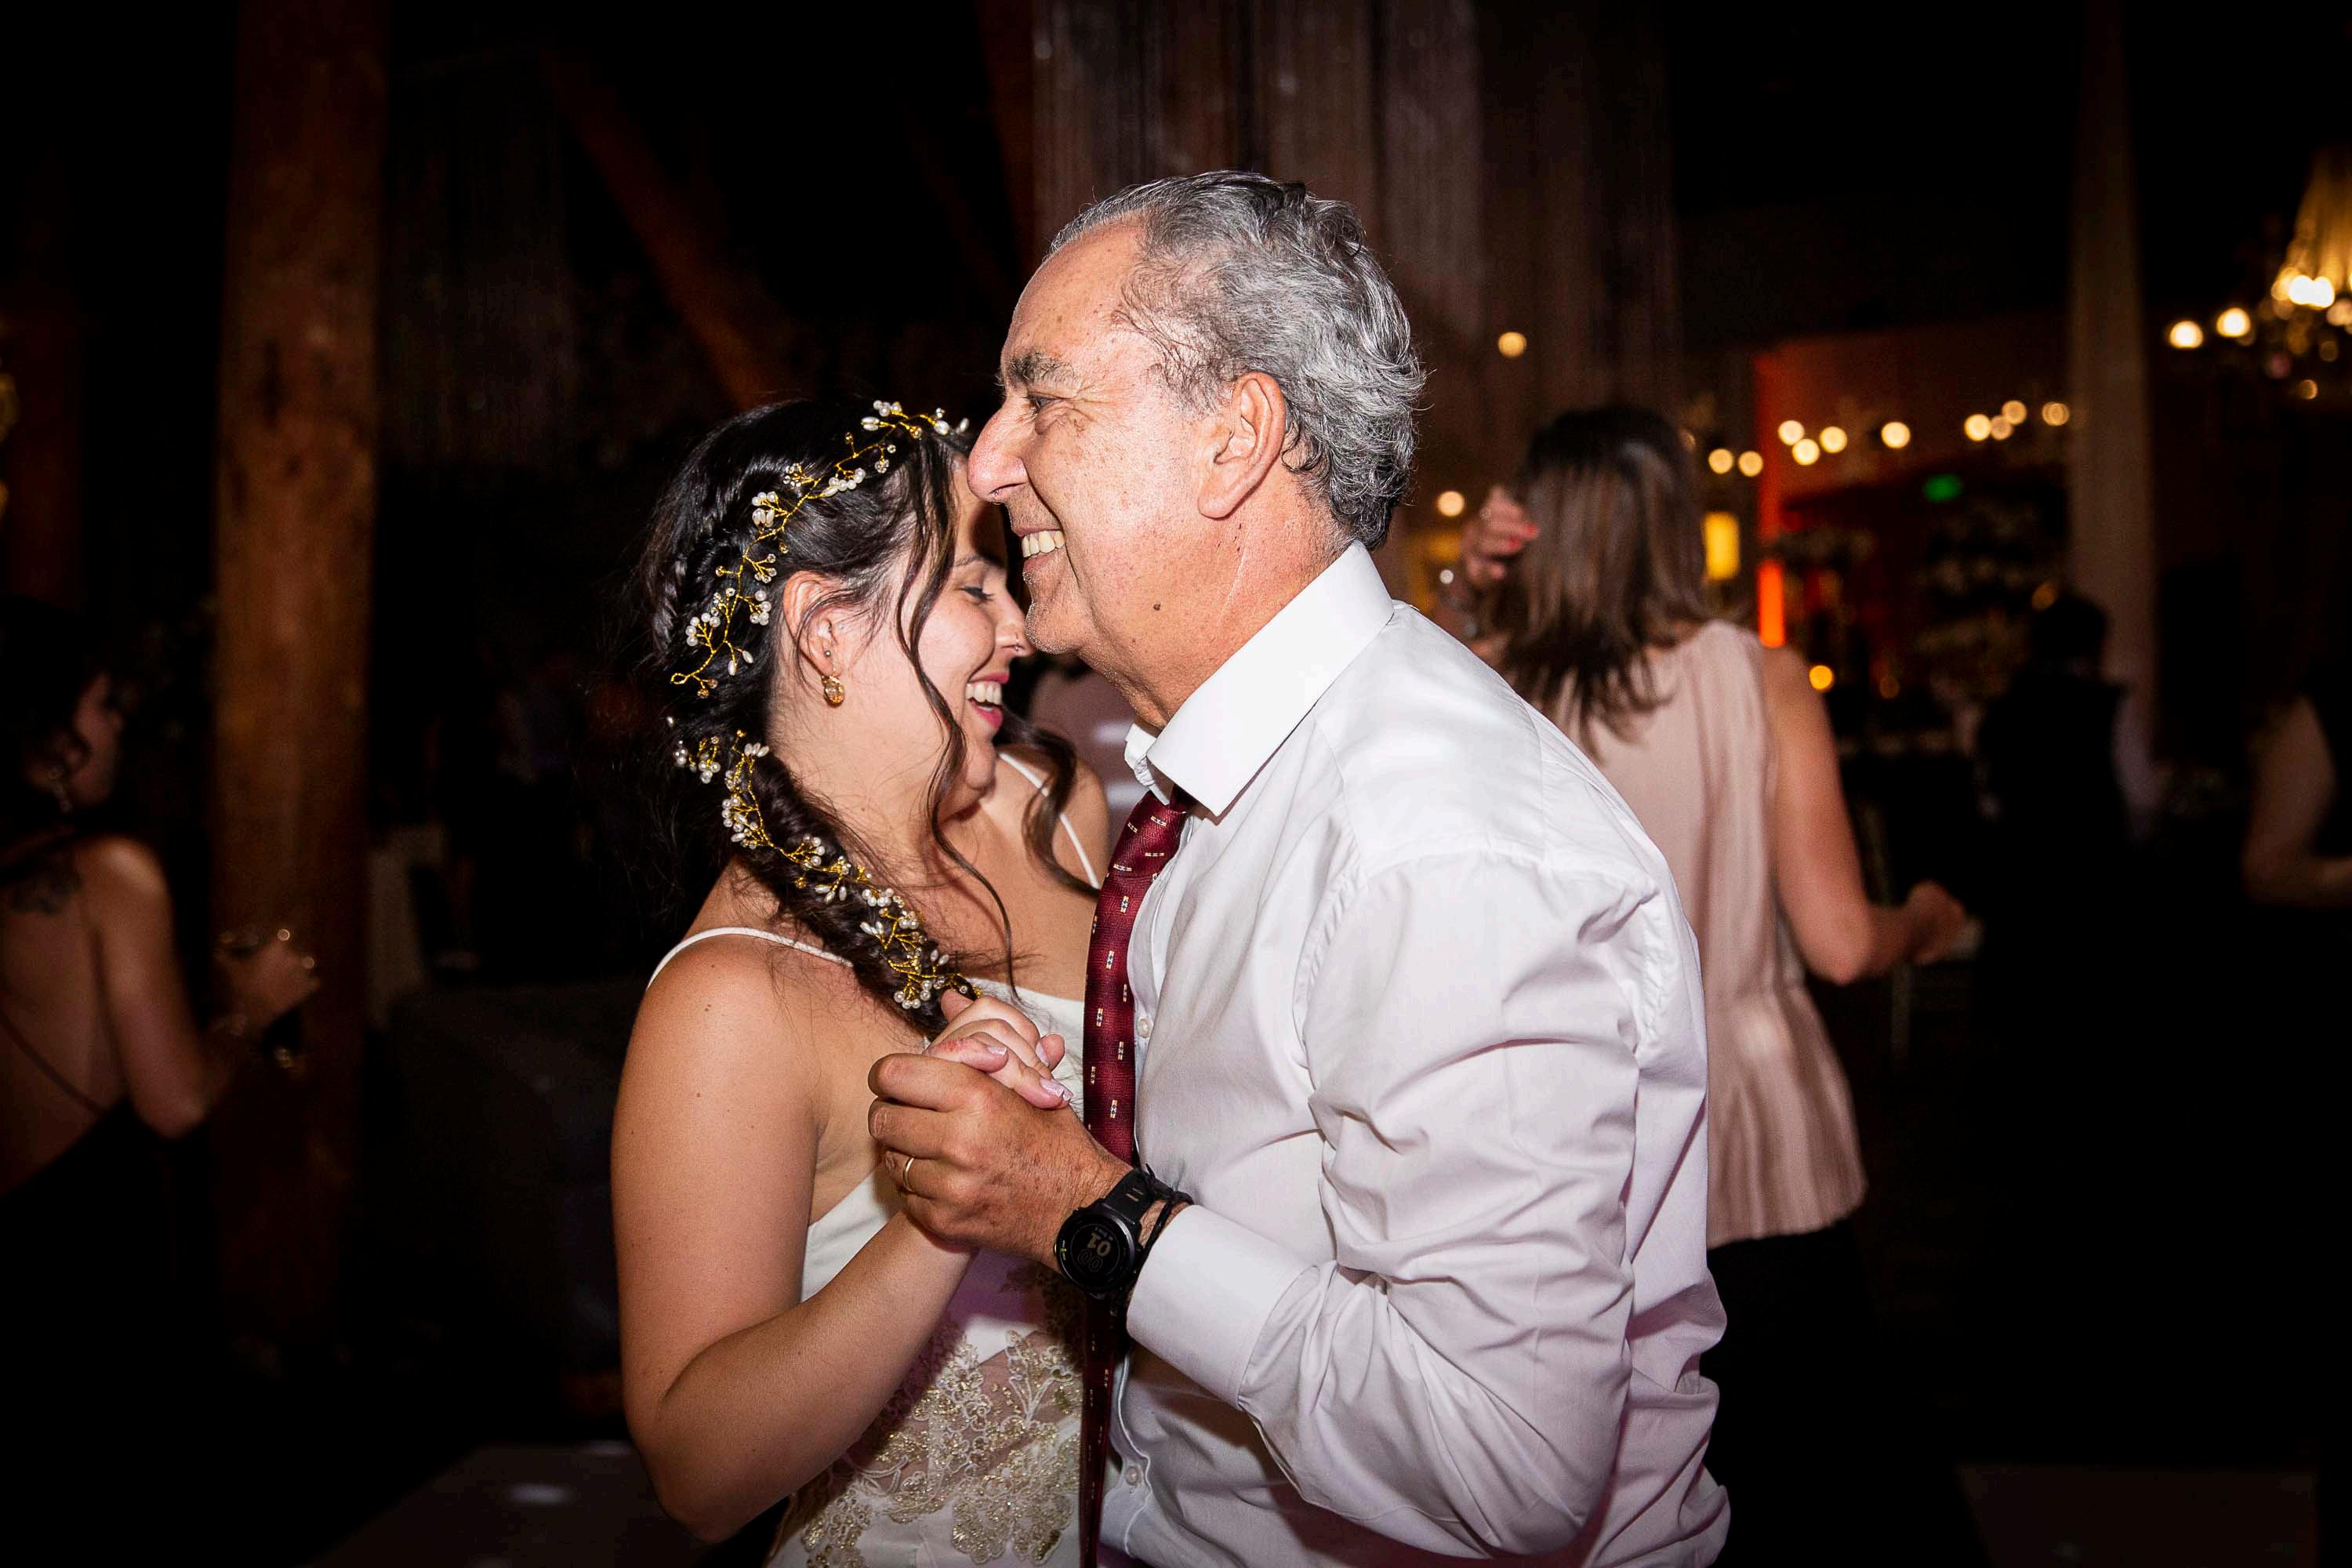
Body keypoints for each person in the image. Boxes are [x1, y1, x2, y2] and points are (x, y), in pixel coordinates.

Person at [869, 172, 1727, 1566]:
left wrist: (1087, 1212)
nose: (987, 464)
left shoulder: (1432, 843)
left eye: (1044, 400)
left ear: (1235, 439)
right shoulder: (1228, 780)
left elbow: (1507, 1458)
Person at [1457, 409, 1975, 1562]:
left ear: (1538, 526)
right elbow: (1842, 943)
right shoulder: (1758, 675)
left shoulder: (1488, 686)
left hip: (1570, 1122)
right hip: (1749, 1119)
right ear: (1677, 523)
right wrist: (1926, 920)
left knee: (1611, 1469)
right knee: (1808, 1471)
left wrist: (1463, 597)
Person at [611, 397, 1112, 1564]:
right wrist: (945, 1209)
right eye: (974, 586)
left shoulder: (1058, 813)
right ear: (827, 628)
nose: (1020, 628)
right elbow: (697, 1473)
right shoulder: (731, 1000)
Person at [0, 594, 317, 1528]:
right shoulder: (110, 874)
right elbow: (173, 1099)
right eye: (103, 705)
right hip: (89, 1265)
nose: (118, 727)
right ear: (50, 729)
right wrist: (249, 1011)